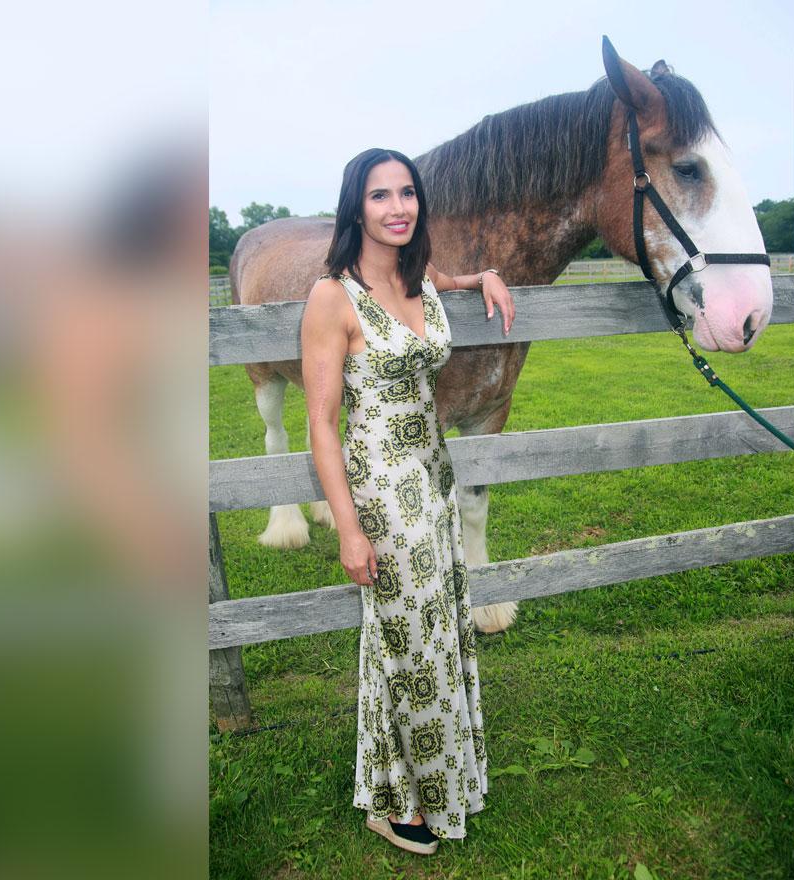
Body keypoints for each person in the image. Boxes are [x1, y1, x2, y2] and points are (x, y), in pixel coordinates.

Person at [299, 147, 515, 855]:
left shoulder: (416, 277)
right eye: (379, 195)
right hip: (383, 490)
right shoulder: (333, 296)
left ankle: (398, 790)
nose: (397, 207)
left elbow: (439, 277)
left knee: (429, 634)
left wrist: (479, 274)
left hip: (434, 476)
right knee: (410, 645)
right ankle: (409, 802)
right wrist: (349, 530)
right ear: (355, 207)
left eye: (407, 193)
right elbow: (321, 426)